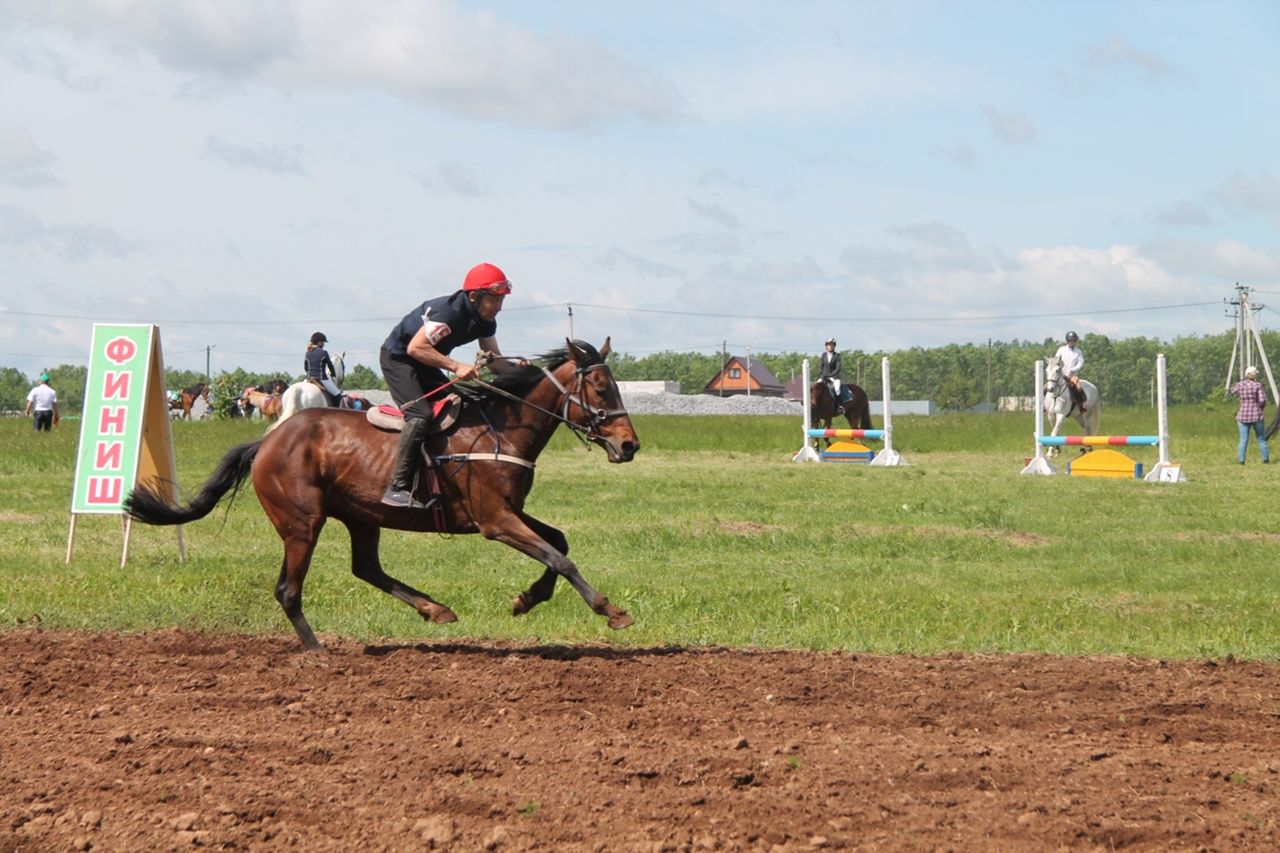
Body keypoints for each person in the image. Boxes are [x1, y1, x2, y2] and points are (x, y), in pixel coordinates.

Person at [378, 262, 517, 508]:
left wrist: (523, 370)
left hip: (425, 363)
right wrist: (455, 366)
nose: (499, 306)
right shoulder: (449, 314)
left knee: (464, 406)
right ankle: (397, 487)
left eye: (501, 300)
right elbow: (415, 348)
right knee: (420, 416)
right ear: (474, 296)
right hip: (399, 360)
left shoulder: (485, 320)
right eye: (494, 300)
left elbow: (494, 361)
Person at [1229, 365, 1270, 465]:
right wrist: (1260, 407)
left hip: (1243, 415)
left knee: (1243, 439)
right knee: (1261, 438)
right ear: (1255, 375)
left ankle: (1241, 461)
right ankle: (1265, 460)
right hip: (1256, 414)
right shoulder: (1258, 385)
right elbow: (1262, 400)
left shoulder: (1240, 385)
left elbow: (1232, 391)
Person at [304, 332, 342, 406]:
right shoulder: (324, 353)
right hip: (322, 379)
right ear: (319, 342)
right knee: (338, 395)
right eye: (323, 342)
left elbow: (306, 368)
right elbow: (330, 366)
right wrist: (333, 374)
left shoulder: (307, 353)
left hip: (308, 379)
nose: (324, 344)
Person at [1053, 331, 1086, 412]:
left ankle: (1081, 405)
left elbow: (1080, 363)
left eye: (1074, 340)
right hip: (1061, 375)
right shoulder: (1061, 349)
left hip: (1072, 375)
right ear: (1067, 341)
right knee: (1047, 386)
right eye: (1071, 340)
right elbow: (1056, 359)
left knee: (1078, 387)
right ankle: (1044, 406)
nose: (1072, 342)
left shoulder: (1078, 351)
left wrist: (1073, 369)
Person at [819, 337, 845, 402]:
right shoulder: (823, 355)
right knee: (815, 387)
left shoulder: (837, 356)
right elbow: (820, 367)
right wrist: (822, 375)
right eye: (829, 345)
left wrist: (830, 375)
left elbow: (838, 368)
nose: (830, 346)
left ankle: (839, 406)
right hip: (824, 377)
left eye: (832, 345)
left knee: (837, 389)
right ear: (826, 346)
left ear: (834, 346)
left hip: (834, 378)